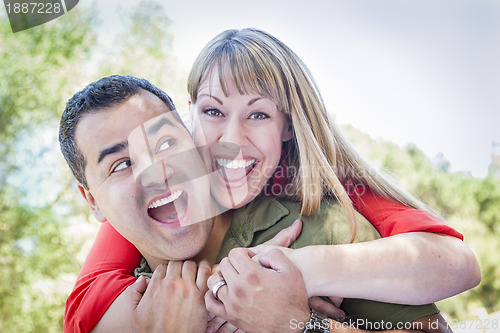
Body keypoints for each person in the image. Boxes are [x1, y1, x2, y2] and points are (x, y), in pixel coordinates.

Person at [62, 28, 480, 331]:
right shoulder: (137, 253)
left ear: (288, 126)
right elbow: (81, 309)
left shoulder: (323, 214)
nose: (230, 139)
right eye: (212, 112)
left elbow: (456, 267)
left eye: (259, 114)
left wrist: (297, 308)